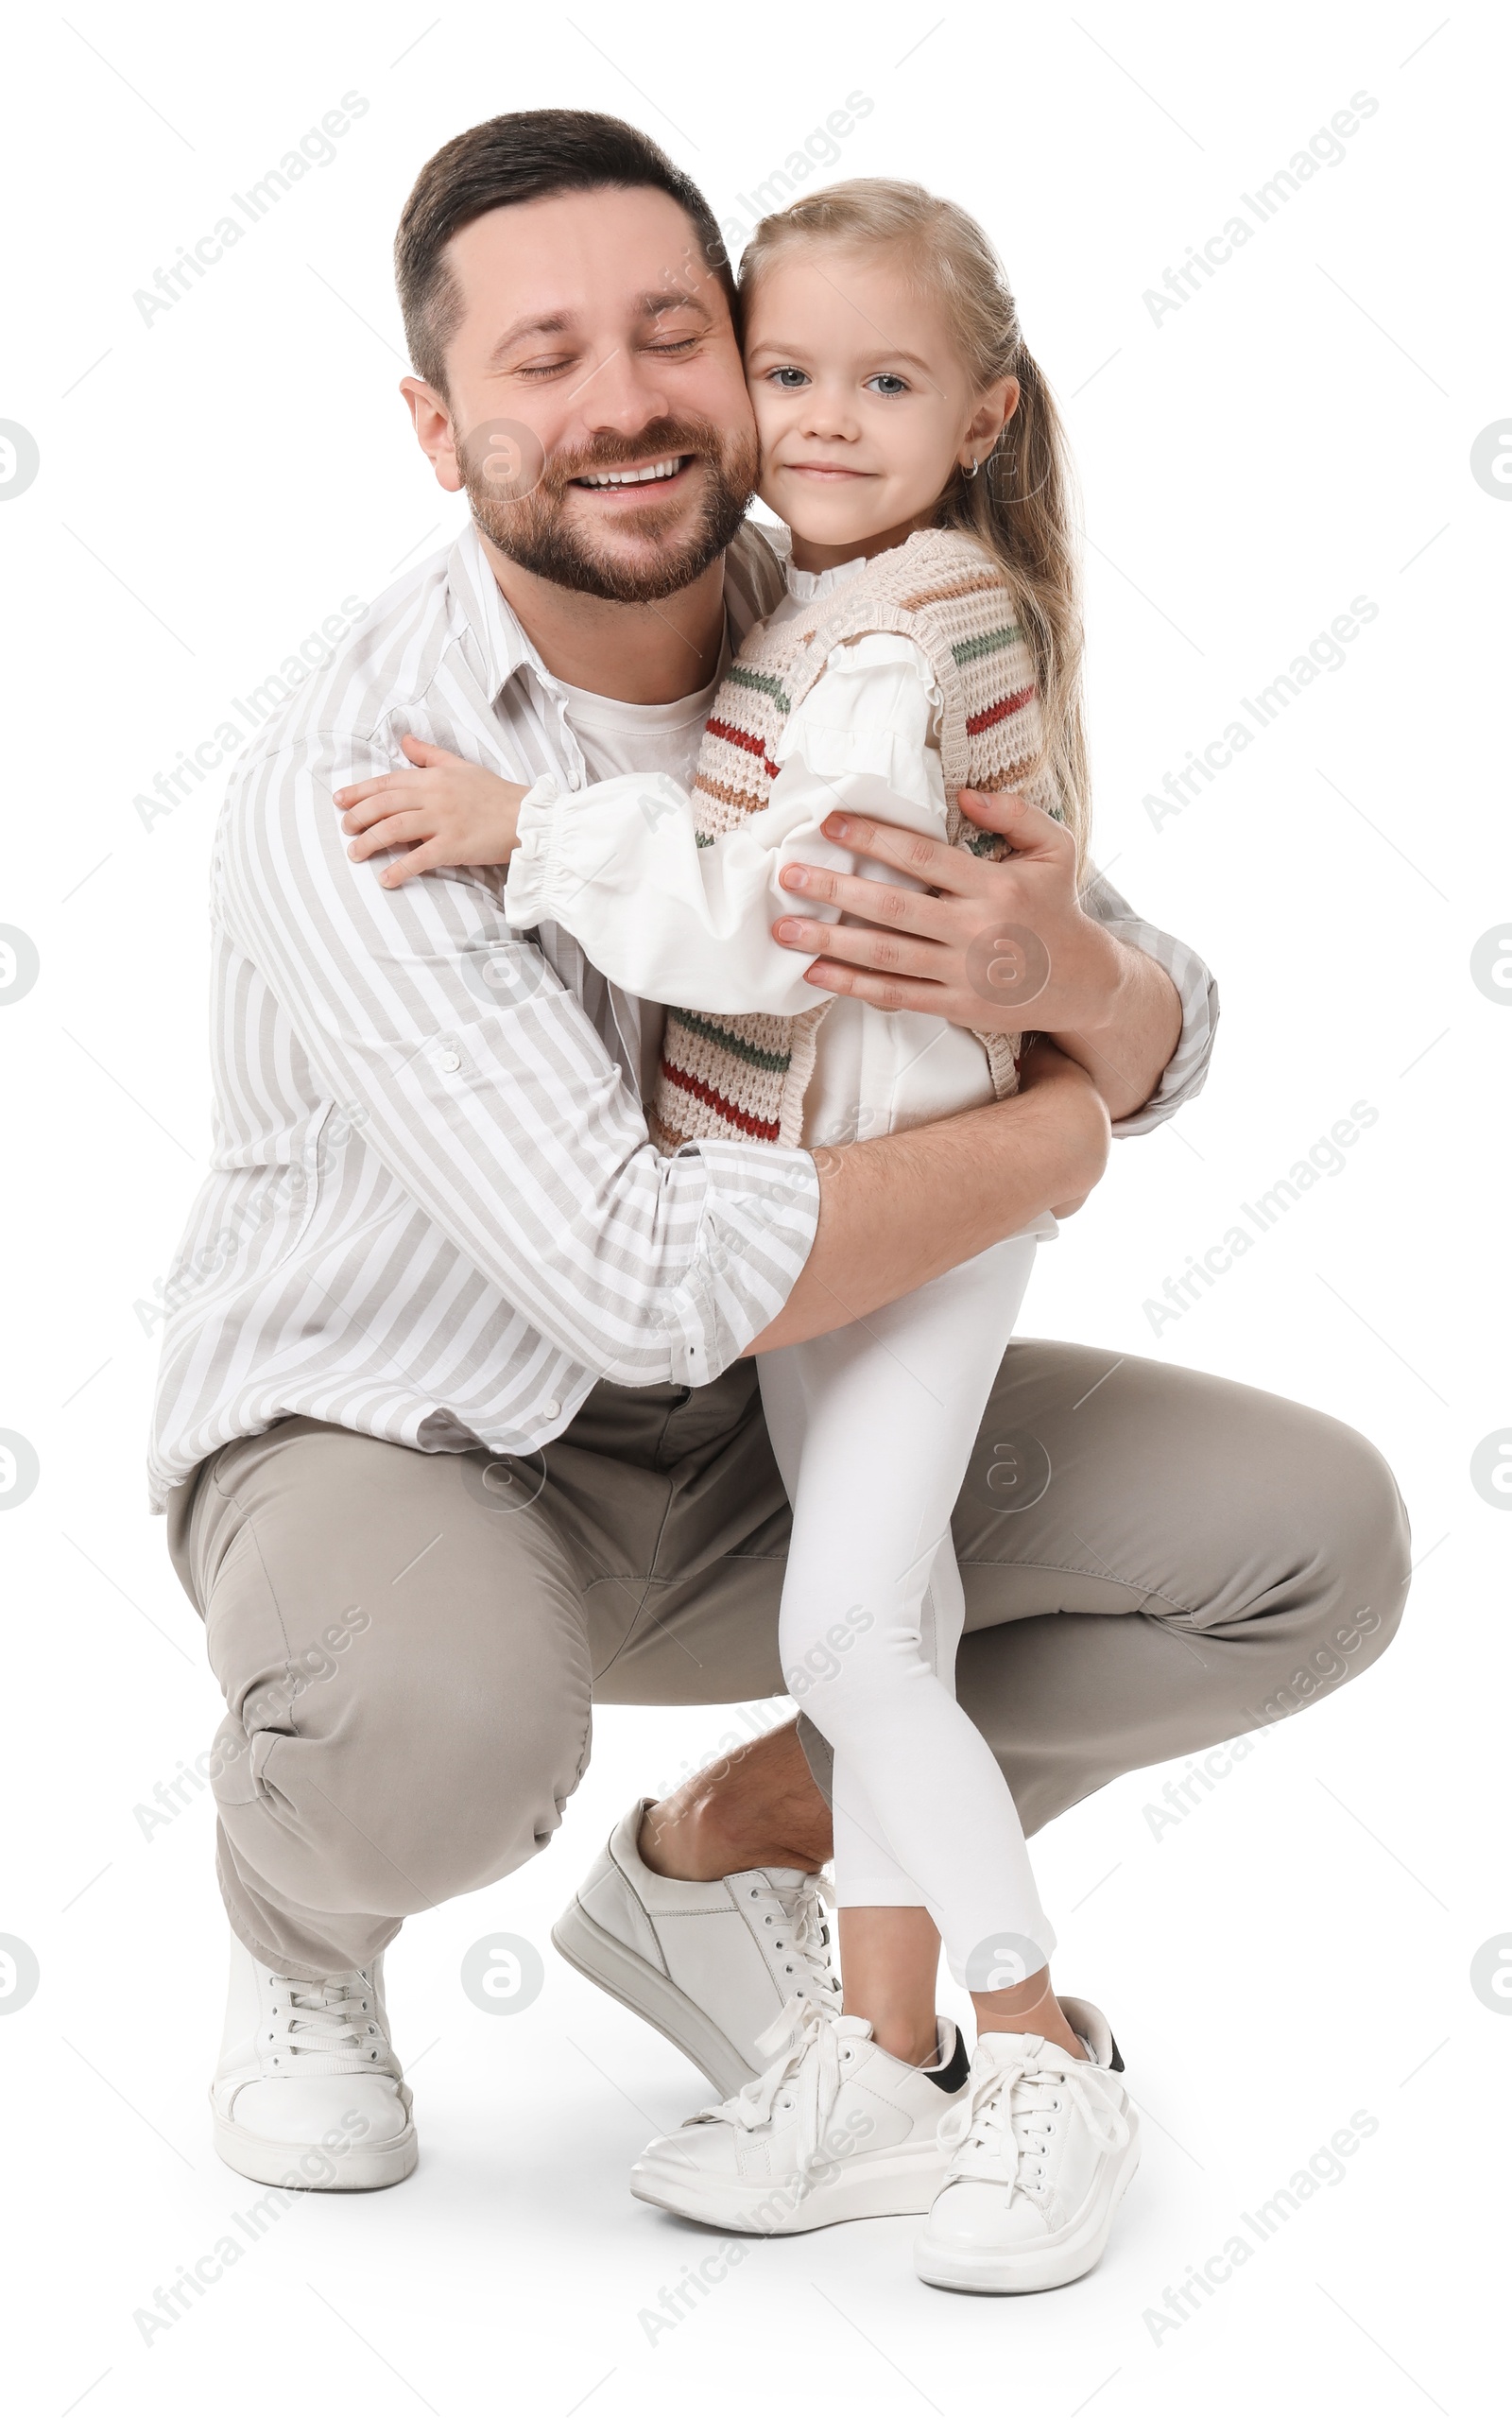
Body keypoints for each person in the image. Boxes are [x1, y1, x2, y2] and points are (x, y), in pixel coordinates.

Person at [150, 110, 1409, 2288]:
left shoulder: (842, 616)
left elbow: (1161, 1023)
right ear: (437, 428)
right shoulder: (368, 769)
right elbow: (639, 1275)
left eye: (673, 332)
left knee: (1305, 1547)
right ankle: (298, 1930)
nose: (624, 399)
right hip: (418, 1427)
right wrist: (1044, 1131)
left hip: (757, 1402)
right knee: (430, 1726)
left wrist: (1062, 978)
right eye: (540, 360)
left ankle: (725, 1851)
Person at [336, 174, 1138, 2289]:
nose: (817, 418)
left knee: (849, 1639)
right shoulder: (821, 599)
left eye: (882, 380)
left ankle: (1029, 2046)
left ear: (979, 410)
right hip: (822, 1202)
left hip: (890, 1195)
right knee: (900, 1619)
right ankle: (879, 2051)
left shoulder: (881, 636)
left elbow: (762, 939)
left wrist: (524, 833)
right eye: (784, 371)